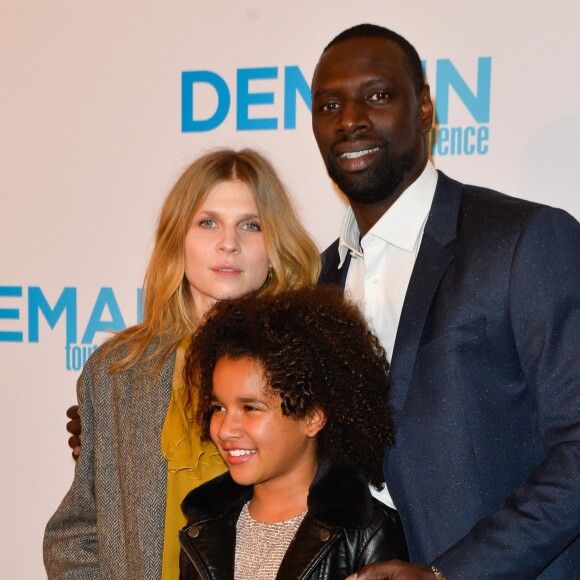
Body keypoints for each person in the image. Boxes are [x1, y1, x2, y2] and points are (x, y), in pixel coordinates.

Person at [313, 24, 580, 579]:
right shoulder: (322, 278)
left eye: (378, 96)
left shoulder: (522, 239)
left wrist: (447, 575)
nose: (350, 119)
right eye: (329, 104)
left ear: (426, 108)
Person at [43, 148, 321, 579]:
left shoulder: (308, 365)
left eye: (251, 225)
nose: (229, 243)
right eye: (207, 222)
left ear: (275, 248)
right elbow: (76, 533)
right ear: (178, 240)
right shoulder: (117, 371)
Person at [178, 286, 408, 579]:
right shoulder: (202, 530)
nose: (224, 430)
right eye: (218, 407)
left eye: (250, 408)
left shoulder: (368, 535)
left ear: (313, 416)